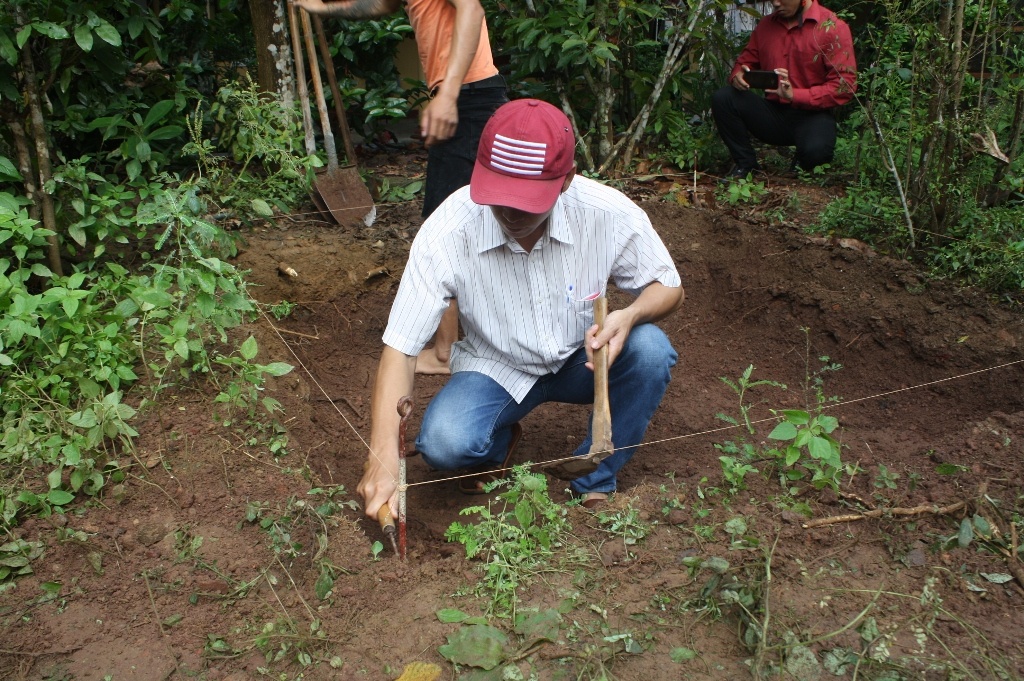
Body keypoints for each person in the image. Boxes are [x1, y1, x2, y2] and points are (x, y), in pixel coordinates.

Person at [357, 99, 684, 520]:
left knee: (651, 351)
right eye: (499, 195)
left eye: (526, 200)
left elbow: (669, 287)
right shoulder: (450, 228)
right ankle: (498, 439)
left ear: (565, 181)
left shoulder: (605, 213)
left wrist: (629, 315)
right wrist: (382, 454)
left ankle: (595, 476)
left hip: (580, 360)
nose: (510, 212)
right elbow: (400, 348)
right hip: (494, 367)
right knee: (443, 443)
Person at [295, 0, 509, 373]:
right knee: (478, 223)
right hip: (472, 94)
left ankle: (446, 353)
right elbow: (378, 4)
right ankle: (490, 336)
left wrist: (448, 95)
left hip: (469, 96)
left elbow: (471, 10)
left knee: (442, 230)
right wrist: (321, 7)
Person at [711, 0, 857, 180]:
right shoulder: (766, 26)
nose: (776, 3)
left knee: (816, 152)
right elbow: (745, 62)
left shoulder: (832, 27)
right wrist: (738, 76)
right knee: (724, 98)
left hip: (813, 115)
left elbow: (845, 86)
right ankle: (746, 164)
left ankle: (802, 160)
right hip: (773, 113)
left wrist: (795, 95)